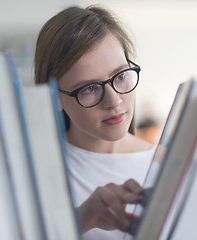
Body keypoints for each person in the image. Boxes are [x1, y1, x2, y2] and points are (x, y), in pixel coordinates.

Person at [34, 5, 157, 239]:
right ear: (53, 96)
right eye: (89, 88)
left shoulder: (171, 164)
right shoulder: (34, 173)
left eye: (121, 76)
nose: (114, 100)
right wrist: (81, 219)